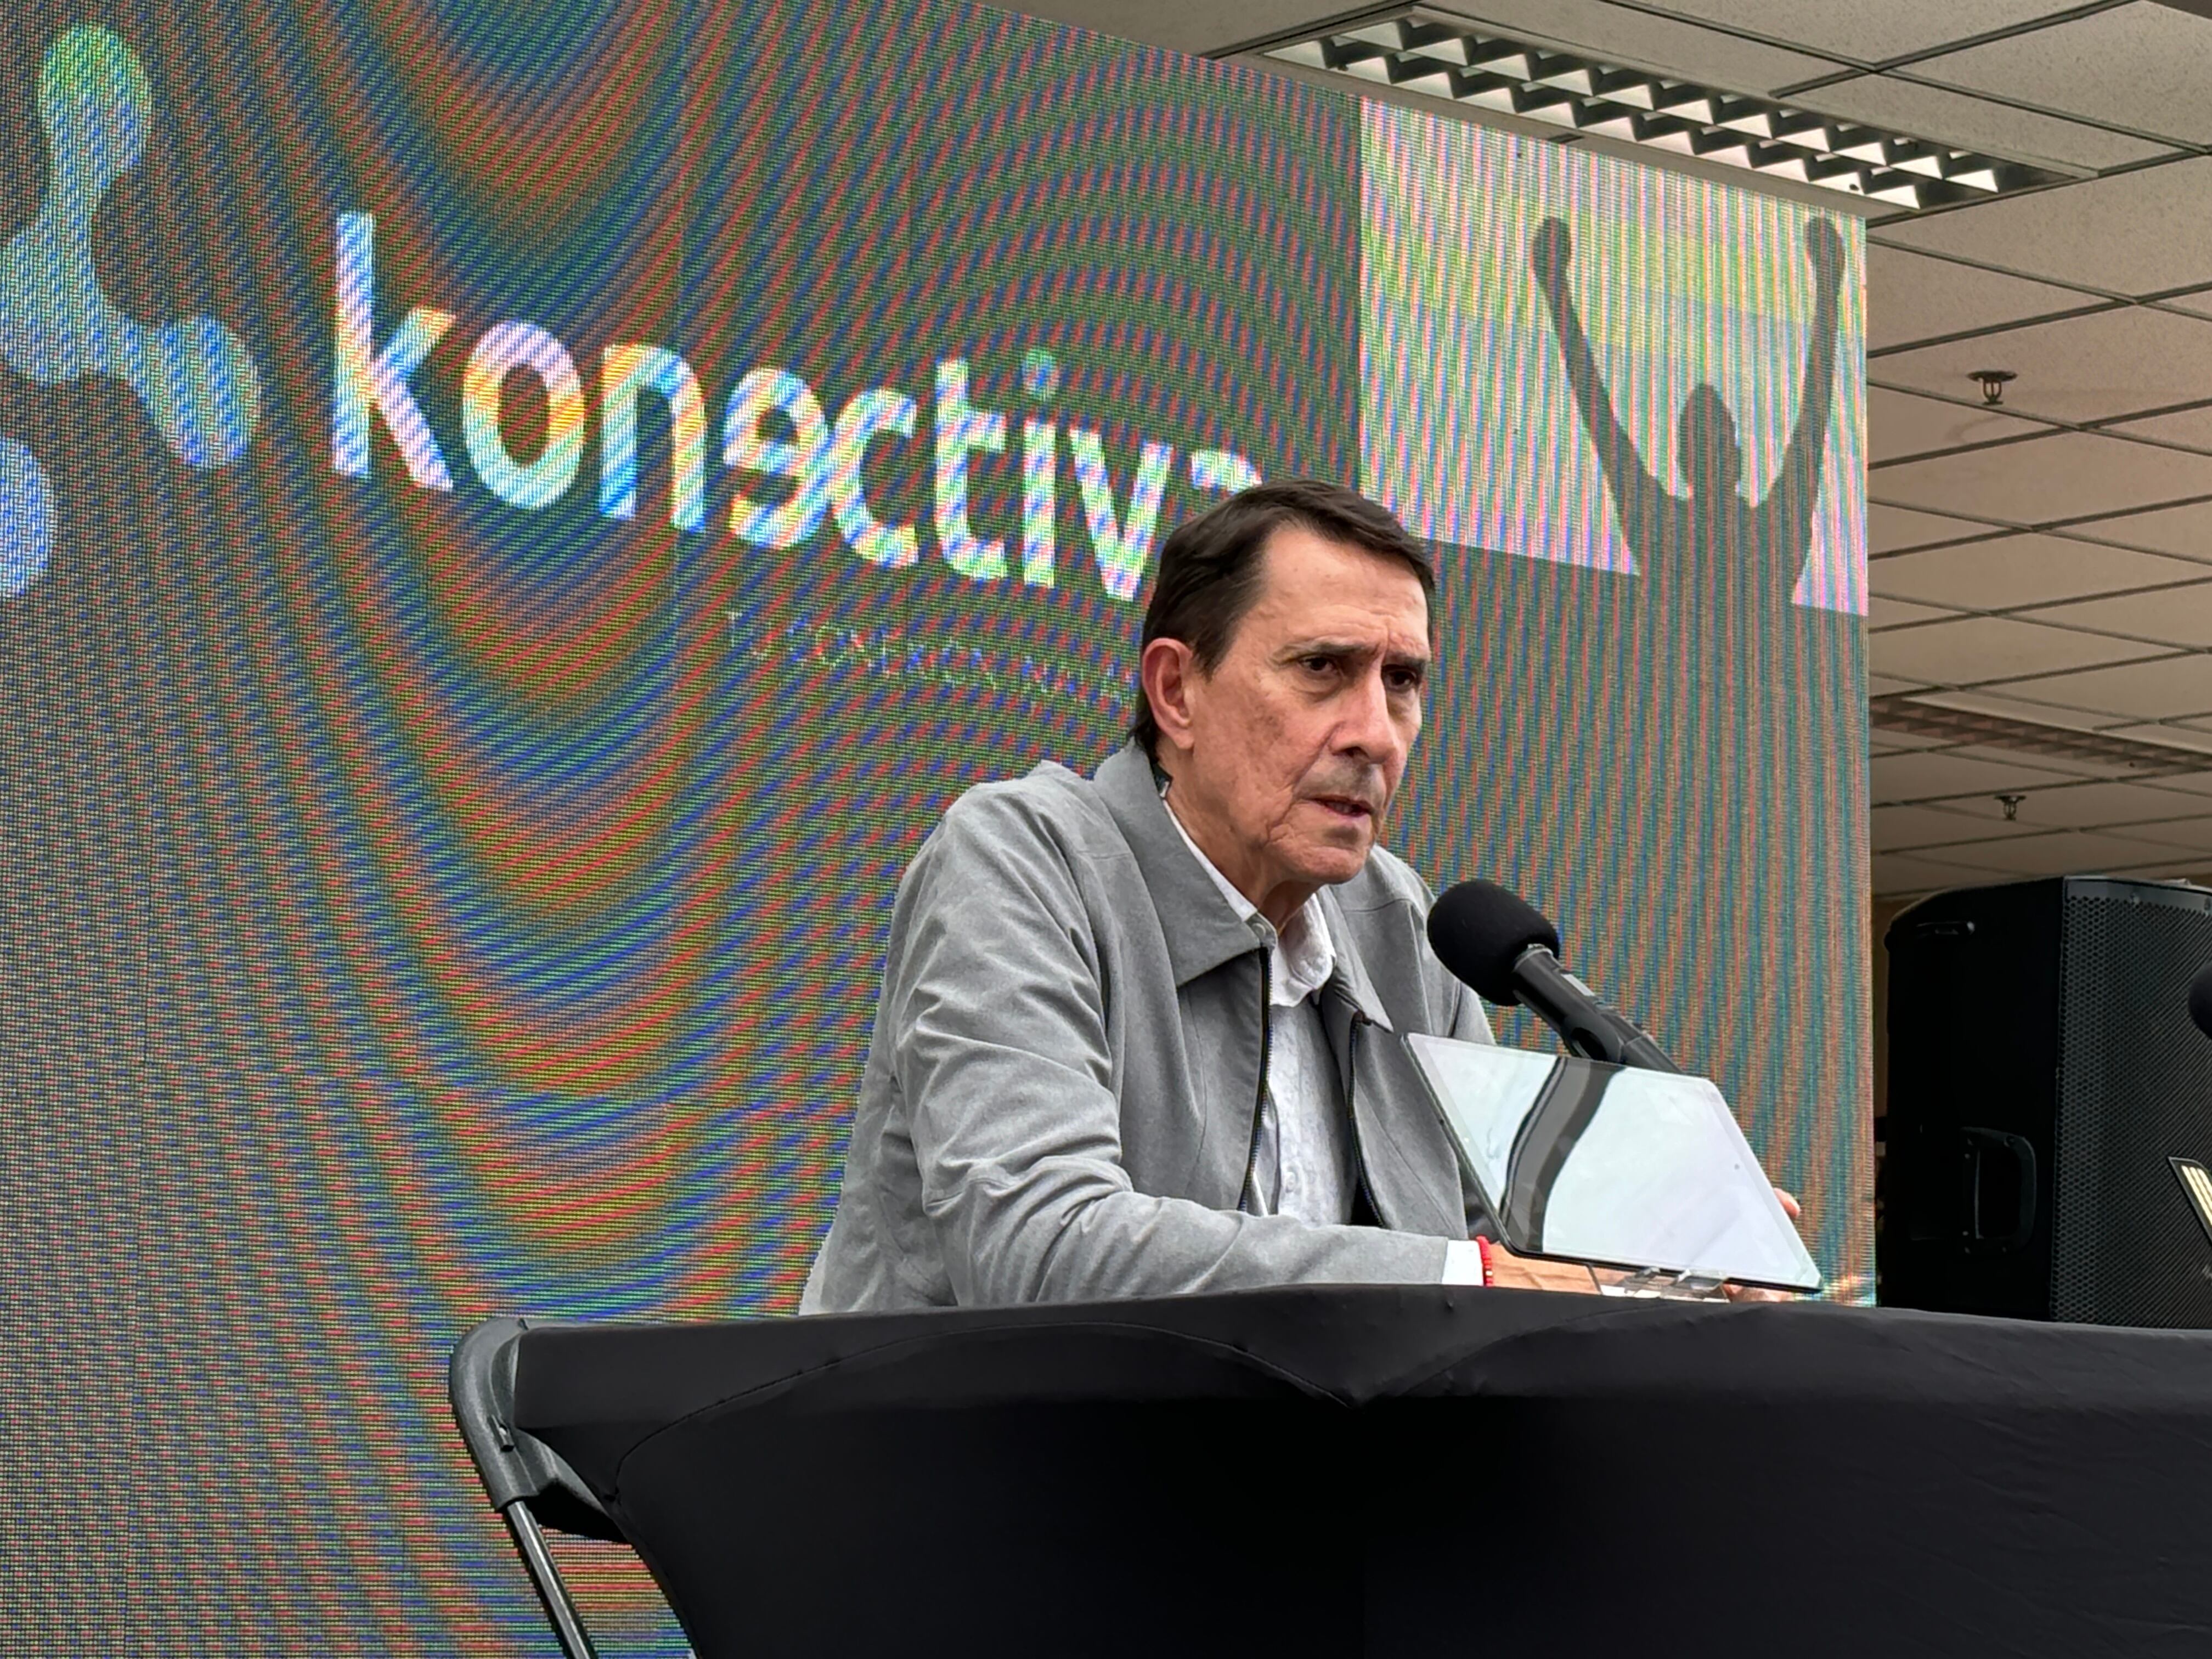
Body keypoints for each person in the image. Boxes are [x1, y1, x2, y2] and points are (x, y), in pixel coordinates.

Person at [806, 481, 1672, 1310]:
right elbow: (1042, 1247)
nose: (1375, 733)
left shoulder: (1403, 926)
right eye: (1323, 668)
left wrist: (1650, 1271)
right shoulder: (1021, 859)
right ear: (1177, 692)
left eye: (1402, 681)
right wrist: (1462, 1278)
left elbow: (1518, 1263)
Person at [1531, 214, 1846, 611]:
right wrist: (1829, 287)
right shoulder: (1728, 530)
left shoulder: (1751, 532)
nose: (1714, 452)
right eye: (1704, 441)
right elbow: (1597, 417)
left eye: (1716, 438)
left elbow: (1814, 420)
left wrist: (1555, 289)